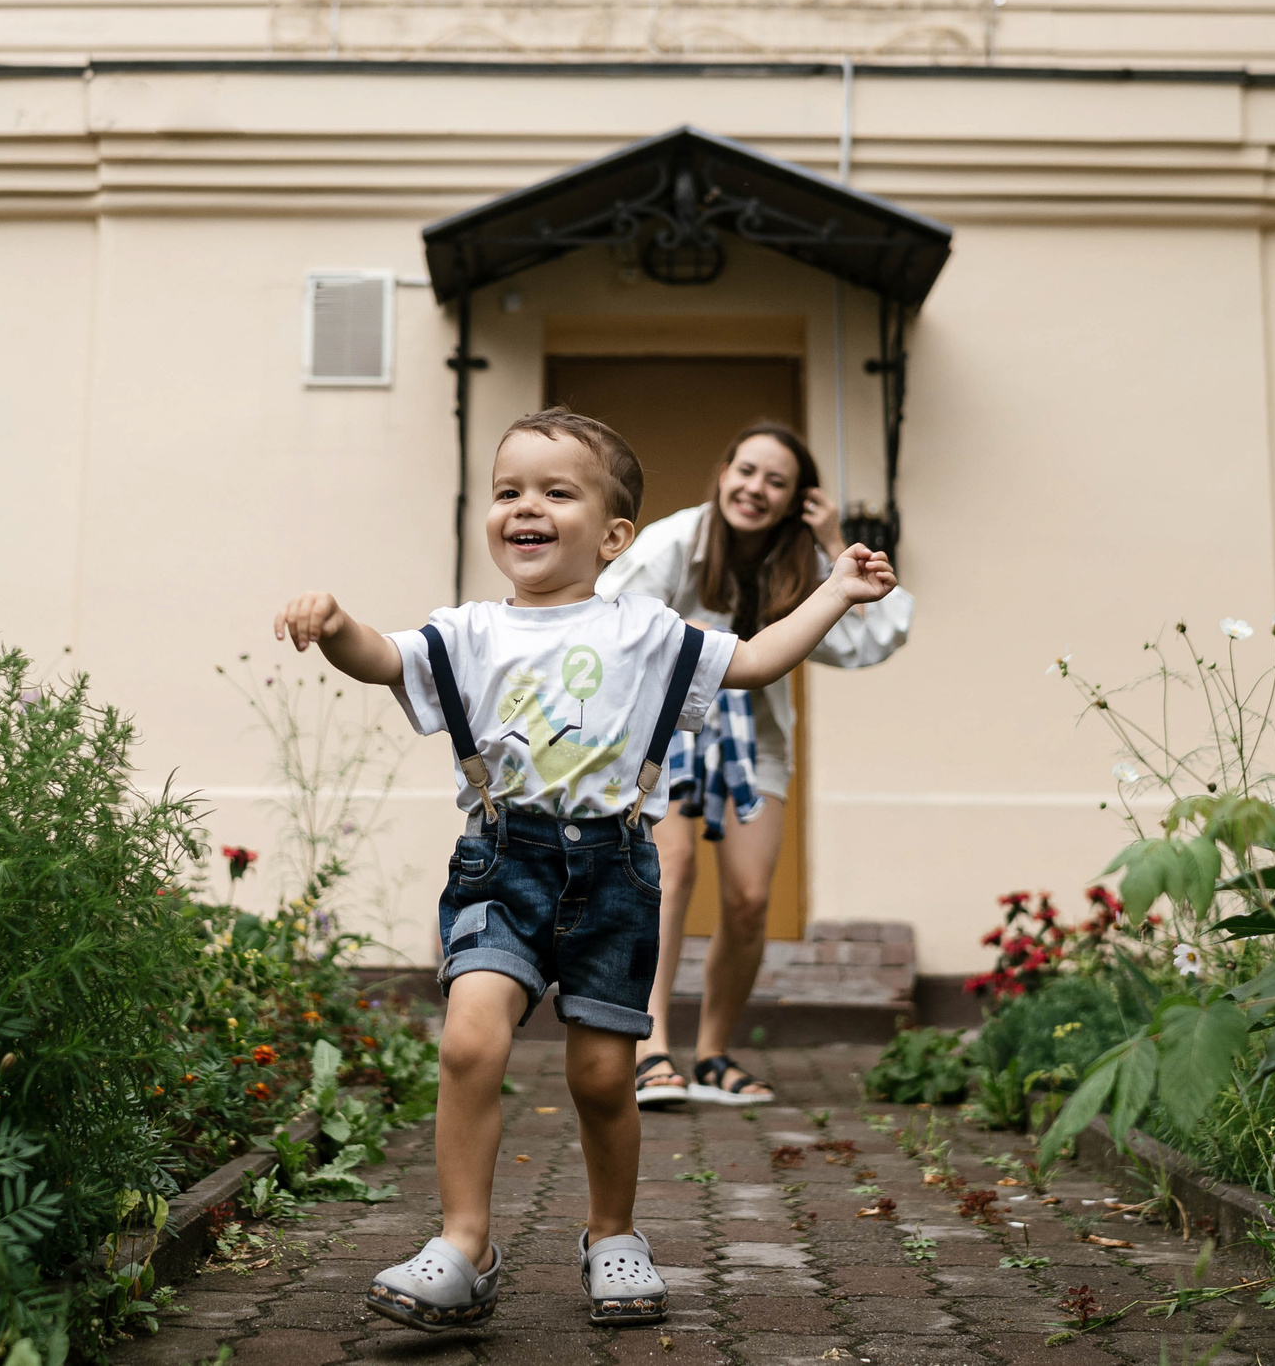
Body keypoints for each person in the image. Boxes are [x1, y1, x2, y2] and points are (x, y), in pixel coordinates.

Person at [272, 408, 897, 1332]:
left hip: (613, 873)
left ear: (612, 535)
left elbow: (757, 660)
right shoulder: (471, 629)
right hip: (502, 862)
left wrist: (838, 589)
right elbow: (385, 656)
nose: (525, 506)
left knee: (605, 1075)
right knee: (468, 1041)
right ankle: (464, 1240)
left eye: (555, 492)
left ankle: (614, 1234)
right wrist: (334, 626)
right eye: (508, 491)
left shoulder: (647, 629)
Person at [599, 421, 915, 1109]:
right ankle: (650, 1047)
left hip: (754, 737)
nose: (756, 488)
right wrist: (688, 640)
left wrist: (835, 542)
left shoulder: (801, 562)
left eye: (777, 481)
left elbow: (876, 636)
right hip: (664, 726)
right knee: (670, 868)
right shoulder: (677, 541)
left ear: (799, 498)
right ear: (724, 472)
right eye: (747, 471)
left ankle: (712, 1052)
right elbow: (609, 611)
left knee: (747, 899)